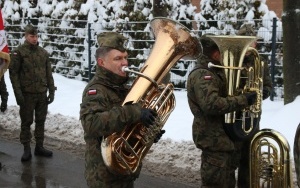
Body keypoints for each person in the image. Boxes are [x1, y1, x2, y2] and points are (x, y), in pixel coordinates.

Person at [80, 31, 163, 187]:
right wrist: (134, 112)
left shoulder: (123, 88)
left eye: (125, 58)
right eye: (118, 58)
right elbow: (91, 123)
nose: (125, 63)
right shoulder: (96, 90)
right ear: (102, 63)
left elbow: (127, 127)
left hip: (124, 170)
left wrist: (148, 131)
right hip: (104, 177)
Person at [186, 34, 258, 187]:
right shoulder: (203, 74)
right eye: (223, 51)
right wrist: (243, 100)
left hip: (224, 142)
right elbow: (211, 104)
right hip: (213, 142)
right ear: (216, 54)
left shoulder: (216, 70)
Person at [9, 24, 56, 162]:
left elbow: (49, 74)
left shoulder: (43, 53)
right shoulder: (19, 53)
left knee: (41, 121)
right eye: (31, 36)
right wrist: (18, 94)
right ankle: (26, 148)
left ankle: (39, 147)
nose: (34, 39)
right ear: (26, 36)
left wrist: (51, 90)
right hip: (27, 94)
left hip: (41, 93)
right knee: (26, 121)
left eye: (36, 36)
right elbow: (14, 74)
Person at [236, 23, 272, 188]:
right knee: (230, 157)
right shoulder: (233, 58)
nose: (250, 44)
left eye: (252, 41)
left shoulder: (260, 61)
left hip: (252, 116)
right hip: (233, 113)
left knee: (249, 157)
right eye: (246, 40)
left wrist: (262, 92)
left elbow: (268, 86)